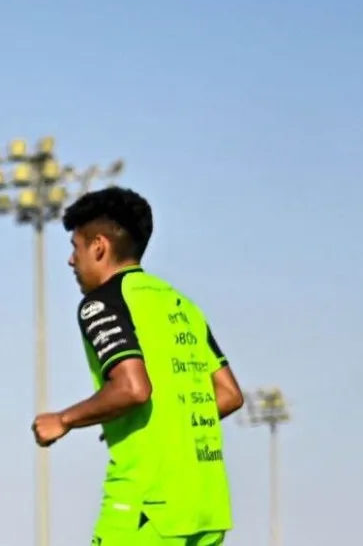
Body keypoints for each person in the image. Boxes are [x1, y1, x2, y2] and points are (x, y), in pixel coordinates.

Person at [31, 187, 243, 546]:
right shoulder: (180, 304)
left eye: (76, 247)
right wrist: (150, 423)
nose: (71, 260)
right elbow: (228, 394)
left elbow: (132, 388)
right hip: (207, 506)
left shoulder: (102, 303)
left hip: (148, 504)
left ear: (99, 247)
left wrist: (64, 419)